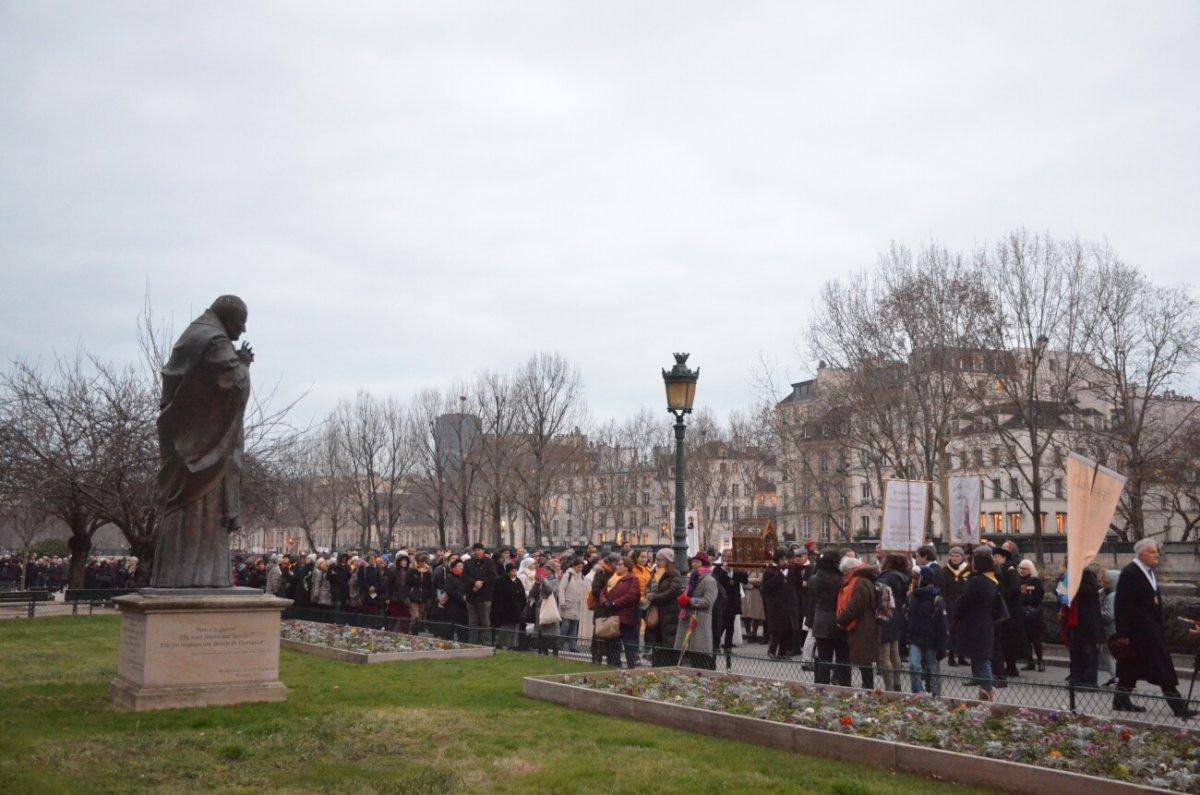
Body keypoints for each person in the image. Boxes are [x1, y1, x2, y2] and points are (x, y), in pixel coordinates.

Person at [151, 295, 253, 588]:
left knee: (188, 515)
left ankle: (182, 576)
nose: (242, 331)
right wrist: (244, 364)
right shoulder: (214, 342)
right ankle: (197, 579)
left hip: (187, 444)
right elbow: (234, 385)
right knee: (202, 514)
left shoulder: (195, 335)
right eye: (241, 323)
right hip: (203, 454)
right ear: (228, 319)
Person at [1112, 539, 1194, 717]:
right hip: (1139, 631)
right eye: (1152, 552)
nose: (1156, 555)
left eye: (1156, 551)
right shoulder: (1130, 573)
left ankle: (1120, 700)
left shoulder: (1149, 572)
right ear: (1141, 554)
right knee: (1163, 667)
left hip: (1150, 629)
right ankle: (1178, 706)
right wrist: (1123, 633)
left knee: (1130, 668)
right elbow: (1122, 605)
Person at [954, 549, 999, 701]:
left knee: (981, 660)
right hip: (986, 623)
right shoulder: (991, 581)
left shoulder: (976, 581)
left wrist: (956, 610)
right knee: (983, 658)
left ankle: (987, 692)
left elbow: (965, 601)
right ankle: (986, 691)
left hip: (975, 624)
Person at [835, 556, 879, 690]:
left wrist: (841, 619)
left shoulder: (860, 582)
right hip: (864, 623)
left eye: (845, 573)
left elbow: (856, 605)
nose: (844, 576)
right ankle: (867, 686)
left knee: (864, 659)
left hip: (863, 624)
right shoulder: (864, 579)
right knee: (864, 659)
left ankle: (868, 687)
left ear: (850, 570)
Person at [809, 550, 849, 686]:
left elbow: (811, 592)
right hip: (840, 619)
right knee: (843, 658)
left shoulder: (816, 578)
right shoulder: (842, 579)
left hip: (821, 620)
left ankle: (821, 687)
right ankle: (844, 686)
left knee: (823, 658)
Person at [906, 565, 948, 696]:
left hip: (931, 639)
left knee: (931, 670)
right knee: (914, 667)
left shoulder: (936, 598)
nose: (912, 581)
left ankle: (934, 695)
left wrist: (942, 645)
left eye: (915, 578)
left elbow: (942, 624)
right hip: (914, 637)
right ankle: (918, 694)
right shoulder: (913, 597)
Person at [675, 551, 719, 669]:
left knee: (699, 653)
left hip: (700, 620)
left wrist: (690, 601)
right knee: (688, 653)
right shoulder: (693, 578)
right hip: (688, 618)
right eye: (693, 562)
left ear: (704, 564)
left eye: (697, 562)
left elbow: (708, 601)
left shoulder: (709, 581)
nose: (694, 564)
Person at [876, 553, 911, 691]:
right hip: (897, 615)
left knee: (884, 654)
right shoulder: (904, 577)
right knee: (894, 652)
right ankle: (897, 684)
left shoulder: (885, 578)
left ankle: (889, 687)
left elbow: (882, 600)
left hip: (886, 615)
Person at [645, 548, 684, 666]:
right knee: (657, 643)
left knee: (668, 643)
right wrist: (649, 592)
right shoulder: (656, 573)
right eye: (656, 559)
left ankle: (670, 667)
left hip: (670, 613)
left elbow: (672, 591)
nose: (656, 562)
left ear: (667, 561)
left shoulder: (675, 574)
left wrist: (655, 597)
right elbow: (649, 588)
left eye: (659, 559)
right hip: (657, 613)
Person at [600, 556, 641, 668]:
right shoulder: (613, 579)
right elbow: (603, 592)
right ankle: (615, 665)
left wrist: (614, 603)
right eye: (617, 564)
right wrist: (604, 602)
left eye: (620, 564)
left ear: (627, 567)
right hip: (612, 617)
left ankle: (631, 666)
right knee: (613, 644)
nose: (617, 566)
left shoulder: (632, 579)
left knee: (628, 644)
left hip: (626, 618)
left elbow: (631, 596)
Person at [762, 549, 795, 660]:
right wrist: (780, 576)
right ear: (778, 559)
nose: (785, 561)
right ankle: (772, 650)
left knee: (786, 629)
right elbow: (767, 587)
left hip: (786, 603)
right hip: (775, 604)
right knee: (777, 629)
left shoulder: (786, 570)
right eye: (783, 559)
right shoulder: (770, 571)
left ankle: (782, 652)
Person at [462, 543, 498, 645]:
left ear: (483, 551)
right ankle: (473, 642)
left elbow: (493, 577)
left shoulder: (489, 562)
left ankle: (486, 642)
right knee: (473, 621)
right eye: (475, 550)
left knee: (485, 621)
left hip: (485, 595)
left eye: (479, 550)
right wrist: (474, 583)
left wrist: (482, 583)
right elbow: (464, 577)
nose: (477, 552)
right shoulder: (468, 563)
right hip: (472, 595)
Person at [943, 546, 970, 666]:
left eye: (957, 556)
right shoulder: (945, 570)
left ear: (962, 557)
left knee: (963, 631)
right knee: (953, 631)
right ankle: (951, 656)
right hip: (951, 604)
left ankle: (962, 656)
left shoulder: (968, 569)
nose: (954, 558)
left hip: (964, 604)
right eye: (952, 556)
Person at [1017, 559, 1046, 672]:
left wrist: (1026, 596)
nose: (1022, 571)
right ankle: (1030, 662)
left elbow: (1038, 597)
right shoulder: (1018, 581)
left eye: (1025, 569)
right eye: (1021, 568)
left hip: (1033, 616)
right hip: (1022, 614)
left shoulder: (1035, 581)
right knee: (1026, 640)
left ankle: (1040, 661)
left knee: (1036, 640)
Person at [557, 556, 588, 652]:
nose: (580, 569)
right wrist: (562, 602)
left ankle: (572, 646)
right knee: (565, 626)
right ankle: (560, 644)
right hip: (567, 604)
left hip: (577, 605)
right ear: (574, 566)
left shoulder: (582, 577)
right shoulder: (568, 575)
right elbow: (561, 589)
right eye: (578, 567)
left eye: (581, 567)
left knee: (574, 627)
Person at [1099, 568, 1120, 687]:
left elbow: (1109, 615)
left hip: (1111, 629)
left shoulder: (1112, 596)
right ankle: (1116, 676)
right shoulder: (1108, 593)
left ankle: (1116, 677)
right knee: (1107, 651)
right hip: (1110, 629)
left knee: (1107, 651)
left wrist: (1097, 612)